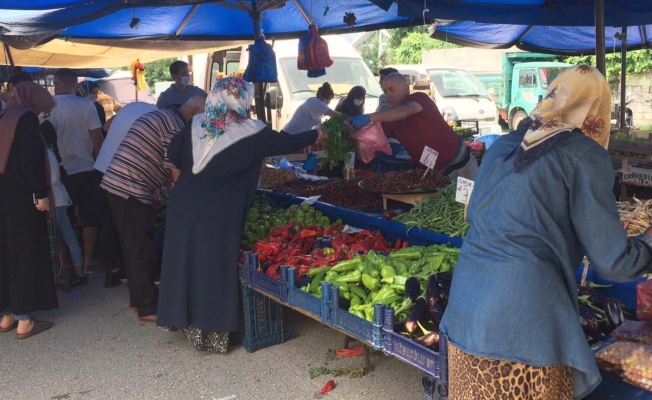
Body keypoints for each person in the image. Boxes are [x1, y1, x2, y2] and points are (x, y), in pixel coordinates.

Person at [441, 66, 652, 399]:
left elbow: (475, 213)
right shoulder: (585, 155)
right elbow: (615, 262)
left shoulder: (503, 146)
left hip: (466, 310)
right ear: (597, 111)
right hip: (524, 326)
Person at [157, 77, 325, 352]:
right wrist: (316, 134)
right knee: (214, 265)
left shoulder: (197, 124)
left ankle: (187, 325)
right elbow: (288, 142)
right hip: (216, 211)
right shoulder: (251, 131)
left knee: (185, 260)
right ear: (241, 99)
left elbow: (173, 154)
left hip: (182, 203)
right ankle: (214, 334)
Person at [101, 94, 206, 323]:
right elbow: (177, 174)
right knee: (142, 248)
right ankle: (148, 307)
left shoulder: (163, 116)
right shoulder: (175, 126)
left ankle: (137, 299)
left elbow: (163, 166)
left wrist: (163, 187)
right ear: (195, 112)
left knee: (132, 246)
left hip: (119, 184)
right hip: (129, 187)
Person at [0, 81, 58, 339]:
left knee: (6, 253)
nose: (45, 112)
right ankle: (24, 320)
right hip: (22, 199)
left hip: (3, 197)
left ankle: (6, 315)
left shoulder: (4, 117)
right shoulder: (25, 119)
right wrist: (41, 194)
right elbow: (31, 160)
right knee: (25, 252)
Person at [348, 73, 477, 180]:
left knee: (468, 202)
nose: (388, 95)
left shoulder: (420, 99)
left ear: (406, 89)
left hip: (461, 164)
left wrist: (369, 117)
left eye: (392, 90)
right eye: (385, 91)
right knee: (444, 203)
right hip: (435, 174)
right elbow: (371, 137)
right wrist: (351, 130)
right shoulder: (389, 120)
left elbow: (403, 111)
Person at [94, 102, 157, 289]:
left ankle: (111, 269)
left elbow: (106, 127)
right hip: (122, 171)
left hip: (101, 165)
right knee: (128, 225)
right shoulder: (156, 118)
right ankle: (130, 270)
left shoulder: (131, 106)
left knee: (108, 221)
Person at [49, 68, 104, 276]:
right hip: (86, 169)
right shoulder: (86, 105)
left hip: (58, 173)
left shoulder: (47, 107)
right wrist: (101, 167)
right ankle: (88, 261)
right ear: (76, 84)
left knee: (63, 219)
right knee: (90, 216)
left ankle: (65, 264)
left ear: (56, 83)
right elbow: (97, 140)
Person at [41, 122, 86, 291]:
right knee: (60, 237)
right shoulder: (50, 153)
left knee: (66, 236)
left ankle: (77, 271)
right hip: (58, 199)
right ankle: (67, 269)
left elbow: (52, 180)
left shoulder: (47, 154)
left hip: (56, 200)